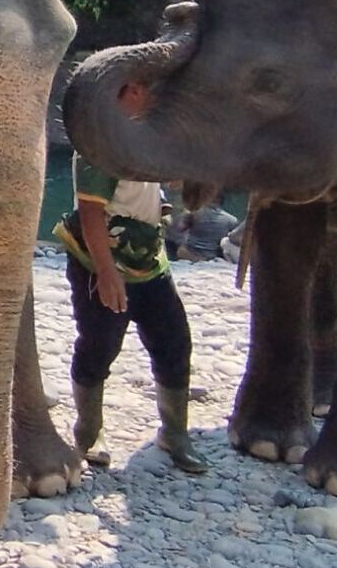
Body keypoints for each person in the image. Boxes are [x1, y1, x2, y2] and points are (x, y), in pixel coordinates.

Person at [53, 151, 210, 474]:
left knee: (174, 342)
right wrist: (106, 273)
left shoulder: (143, 135)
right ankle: (88, 433)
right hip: (100, 262)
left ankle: (175, 433)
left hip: (149, 259)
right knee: (100, 345)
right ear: (133, 95)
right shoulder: (97, 142)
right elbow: (91, 212)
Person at [168, 195, 240, 262]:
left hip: (189, 255)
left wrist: (185, 214)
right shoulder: (232, 220)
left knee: (178, 245)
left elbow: (179, 228)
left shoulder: (194, 213)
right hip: (213, 257)